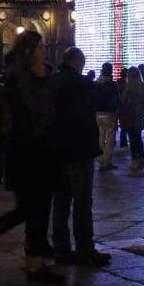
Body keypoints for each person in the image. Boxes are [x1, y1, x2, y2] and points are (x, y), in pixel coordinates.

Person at [0, 29, 65, 284]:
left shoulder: (42, 75)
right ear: (28, 51)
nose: (44, 51)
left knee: (41, 208)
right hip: (25, 149)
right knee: (26, 209)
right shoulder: (18, 76)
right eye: (40, 47)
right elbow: (37, 107)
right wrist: (46, 81)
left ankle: (35, 265)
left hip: (44, 148)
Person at [49, 47, 110, 267]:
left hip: (58, 149)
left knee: (61, 201)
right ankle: (85, 249)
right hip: (79, 148)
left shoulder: (52, 81)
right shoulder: (79, 82)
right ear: (78, 62)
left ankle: (61, 249)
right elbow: (94, 104)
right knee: (83, 201)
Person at [118, 67, 144, 171]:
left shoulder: (129, 86)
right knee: (138, 138)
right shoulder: (143, 85)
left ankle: (134, 161)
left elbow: (124, 101)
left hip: (130, 115)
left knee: (132, 138)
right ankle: (142, 159)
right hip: (140, 115)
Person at [92, 63, 120, 171]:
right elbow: (116, 98)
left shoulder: (96, 83)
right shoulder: (112, 84)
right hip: (109, 113)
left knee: (100, 137)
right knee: (110, 139)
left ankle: (100, 160)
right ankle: (107, 162)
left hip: (98, 113)